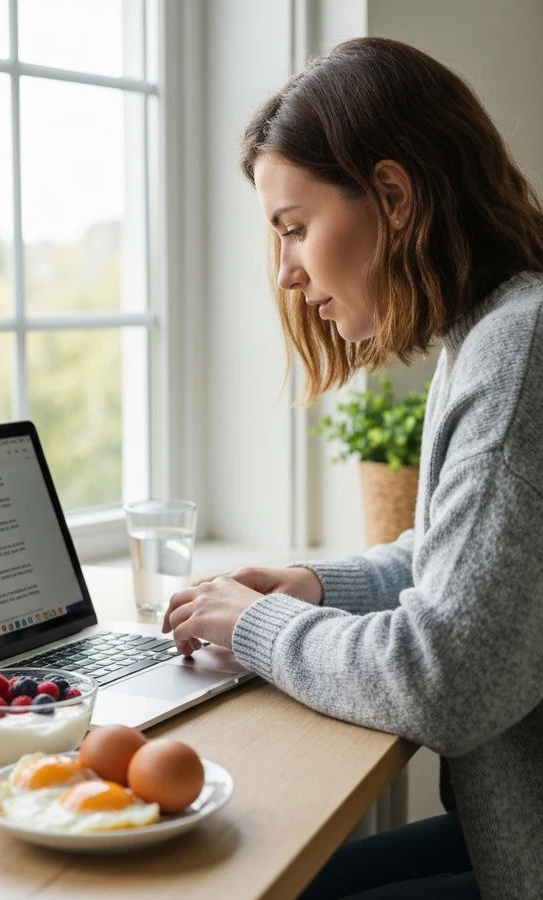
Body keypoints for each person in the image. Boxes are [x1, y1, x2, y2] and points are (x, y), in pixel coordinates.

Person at [161, 37, 543, 900]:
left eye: (296, 228)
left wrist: (255, 627)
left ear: (394, 196)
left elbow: (449, 679)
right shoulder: (490, 331)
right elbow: (467, 561)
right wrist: (315, 585)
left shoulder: (519, 350)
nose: (289, 274)